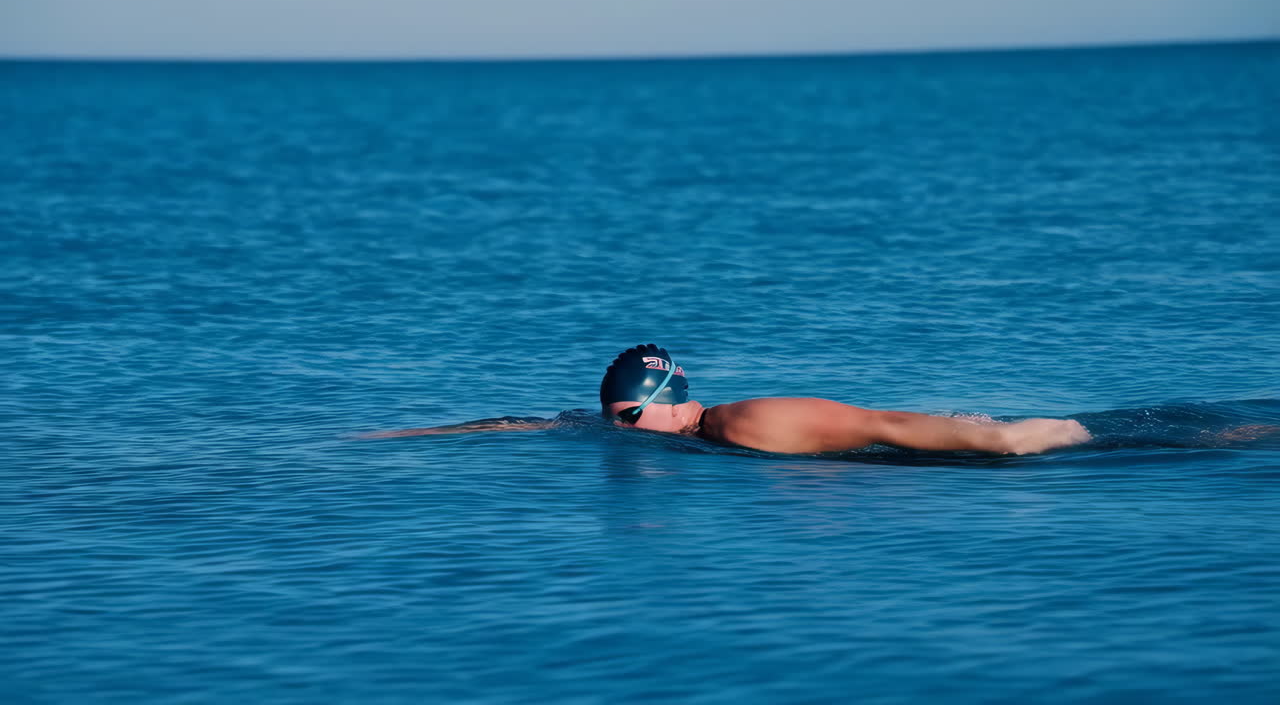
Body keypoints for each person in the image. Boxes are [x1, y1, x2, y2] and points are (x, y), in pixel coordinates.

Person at [361, 344, 1092, 455]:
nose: (620, 431)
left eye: (627, 420)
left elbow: (885, 425)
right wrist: (411, 435)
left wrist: (1006, 440)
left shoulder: (748, 423)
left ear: (660, 404)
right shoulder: (688, 435)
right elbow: (545, 421)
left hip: (950, 452)